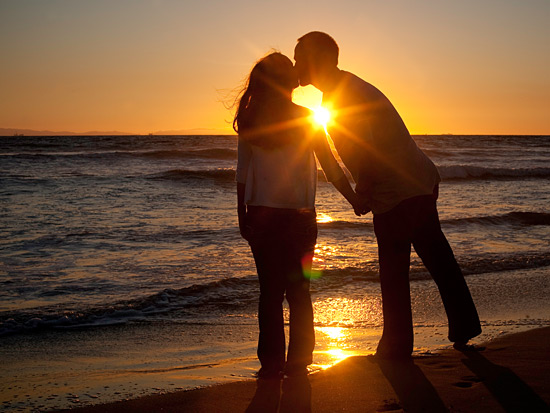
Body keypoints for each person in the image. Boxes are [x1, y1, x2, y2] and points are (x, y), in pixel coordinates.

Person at [294, 32, 482, 359]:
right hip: (412, 181)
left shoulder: (345, 93)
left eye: (300, 57)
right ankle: (458, 329)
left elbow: (366, 150)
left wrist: (362, 192)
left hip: (400, 188)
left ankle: (397, 346)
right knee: (434, 259)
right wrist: (357, 195)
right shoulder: (338, 92)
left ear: (317, 61)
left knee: (396, 269)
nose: (296, 63)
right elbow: (339, 154)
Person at [234, 52, 362, 378]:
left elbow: (242, 173)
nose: (297, 72)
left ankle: (271, 365)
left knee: (270, 293)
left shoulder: (252, 119)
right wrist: (355, 199)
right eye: (290, 69)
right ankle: (300, 361)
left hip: (261, 214)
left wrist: (242, 213)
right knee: (299, 292)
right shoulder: (307, 117)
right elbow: (331, 166)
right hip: (300, 216)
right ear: (284, 80)